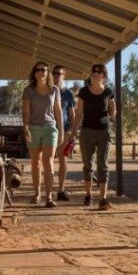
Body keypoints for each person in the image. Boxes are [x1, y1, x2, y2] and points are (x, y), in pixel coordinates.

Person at [71, 63, 116, 210]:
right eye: (94, 72)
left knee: (103, 166)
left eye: (99, 72)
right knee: (88, 165)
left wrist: (114, 109)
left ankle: (103, 199)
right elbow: (78, 113)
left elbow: (112, 114)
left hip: (104, 132)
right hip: (87, 132)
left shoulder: (108, 92)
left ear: (104, 75)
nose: (96, 74)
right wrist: (74, 131)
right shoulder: (84, 91)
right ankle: (89, 195)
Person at [21, 61, 63, 208]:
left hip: (50, 128)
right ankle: (37, 193)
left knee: (48, 162)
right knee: (35, 163)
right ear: (34, 73)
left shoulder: (54, 90)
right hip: (33, 128)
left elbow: (58, 111)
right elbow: (25, 111)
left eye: (43, 70)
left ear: (48, 72)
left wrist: (61, 131)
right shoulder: (28, 90)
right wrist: (25, 128)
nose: (40, 72)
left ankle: (49, 197)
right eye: (37, 70)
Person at [53, 65, 76, 201]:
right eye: (54, 73)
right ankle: (47, 190)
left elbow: (72, 113)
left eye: (59, 74)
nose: (56, 76)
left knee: (63, 159)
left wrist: (74, 130)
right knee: (47, 161)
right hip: (49, 129)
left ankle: (61, 189)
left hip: (65, 130)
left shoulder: (68, 94)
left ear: (64, 76)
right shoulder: (48, 90)